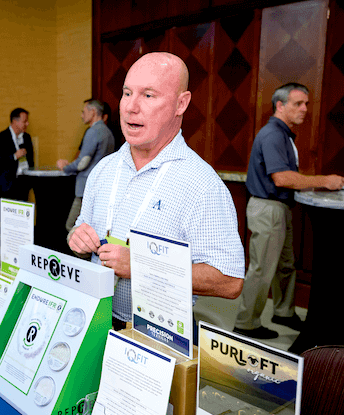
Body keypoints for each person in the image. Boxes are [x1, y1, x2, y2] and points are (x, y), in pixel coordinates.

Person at [69, 52, 245, 331]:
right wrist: (76, 238)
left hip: (156, 336)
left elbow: (229, 281)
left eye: (148, 95)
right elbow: (80, 229)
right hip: (90, 320)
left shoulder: (202, 184)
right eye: (127, 93)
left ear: (181, 104)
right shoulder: (104, 169)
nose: (131, 107)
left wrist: (141, 266)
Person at [234, 83, 344, 340]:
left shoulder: (282, 134)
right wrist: (325, 181)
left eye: (306, 103)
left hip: (279, 209)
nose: (305, 109)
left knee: (285, 266)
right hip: (268, 209)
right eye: (298, 104)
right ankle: (246, 324)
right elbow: (282, 178)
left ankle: (283, 313)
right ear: (280, 106)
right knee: (262, 268)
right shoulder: (273, 135)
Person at [57, 99, 115, 231]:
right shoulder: (108, 133)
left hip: (86, 188)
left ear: (93, 112)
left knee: (72, 226)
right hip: (102, 187)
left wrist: (65, 167)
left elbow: (82, 163)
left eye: (83, 112)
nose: (81, 115)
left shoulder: (93, 131)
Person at [0, 108, 34, 202]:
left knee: (23, 210)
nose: (27, 124)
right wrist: (14, 156)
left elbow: (31, 161)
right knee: (8, 211)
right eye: (25, 121)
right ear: (15, 121)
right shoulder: (0, 138)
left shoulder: (27, 137)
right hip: (6, 185)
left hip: (24, 184)